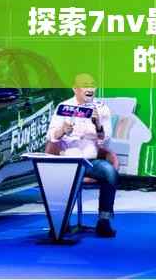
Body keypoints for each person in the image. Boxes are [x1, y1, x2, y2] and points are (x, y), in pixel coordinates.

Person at [46, 73, 118, 238]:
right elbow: (51, 136)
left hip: (91, 162)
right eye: (85, 85)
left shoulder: (101, 109)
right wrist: (63, 130)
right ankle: (60, 222)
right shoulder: (64, 107)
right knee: (61, 179)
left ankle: (104, 221)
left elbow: (106, 141)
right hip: (67, 161)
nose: (90, 89)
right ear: (75, 89)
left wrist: (98, 125)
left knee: (110, 172)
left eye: (92, 85)